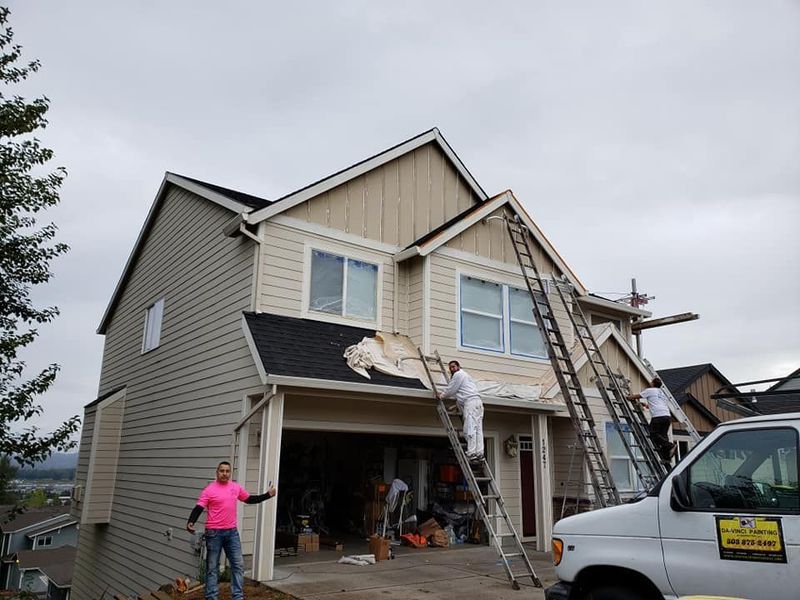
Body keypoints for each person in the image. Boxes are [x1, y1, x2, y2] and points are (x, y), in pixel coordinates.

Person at [186, 461, 276, 600]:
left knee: (238, 565)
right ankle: (211, 597)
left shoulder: (235, 488)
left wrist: (268, 495)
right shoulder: (210, 489)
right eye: (222, 471)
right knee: (212, 568)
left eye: (227, 471)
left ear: (230, 473)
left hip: (231, 533)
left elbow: (250, 499)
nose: (225, 473)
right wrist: (191, 521)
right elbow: (199, 507)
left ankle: (238, 597)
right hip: (213, 533)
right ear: (217, 473)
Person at [437, 360, 484, 462]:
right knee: (478, 430)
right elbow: (463, 394)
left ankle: (471, 453)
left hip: (471, 403)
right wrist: (455, 406)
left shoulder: (458, 375)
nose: (452, 369)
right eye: (450, 368)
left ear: (458, 366)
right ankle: (480, 453)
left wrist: (442, 395)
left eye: (453, 367)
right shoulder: (466, 376)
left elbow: (451, 389)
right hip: (478, 403)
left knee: (470, 429)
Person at [628, 377, 677, 464]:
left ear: (653, 384)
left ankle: (670, 446)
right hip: (667, 416)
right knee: (663, 436)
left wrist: (628, 397)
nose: (650, 382)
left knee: (653, 433)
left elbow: (637, 396)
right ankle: (666, 459)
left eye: (651, 382)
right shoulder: (662, 393)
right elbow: (657, 403)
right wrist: (644, 404)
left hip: (658, 416)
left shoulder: (650, 390)